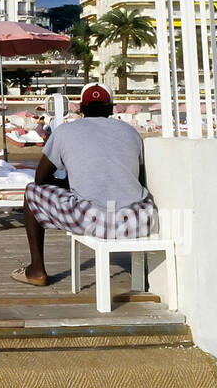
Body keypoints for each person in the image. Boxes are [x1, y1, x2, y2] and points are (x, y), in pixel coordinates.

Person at [12, 82, 157, 287]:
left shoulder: (64, 132)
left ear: (81, 108)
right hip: (138, 221)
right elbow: (138, 180)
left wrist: (69, 185)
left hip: (94, 221)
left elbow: (40, 180)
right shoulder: (131, 133)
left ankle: (37, 270)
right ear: (110, 107)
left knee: (31, 192)